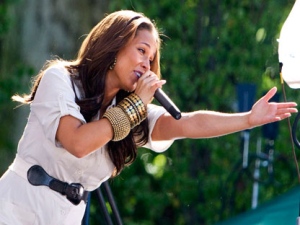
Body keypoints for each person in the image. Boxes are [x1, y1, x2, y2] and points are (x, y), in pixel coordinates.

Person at [0, 9, 297, 225]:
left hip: (66, 217)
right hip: (17, 206)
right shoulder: (61, 79)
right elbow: (77, 142)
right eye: (142, 51)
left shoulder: (135, 109)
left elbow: (188, 123)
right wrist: (135, 106)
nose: (147, 63)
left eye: (152, 59)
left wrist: (247, 119)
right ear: (114, 47)